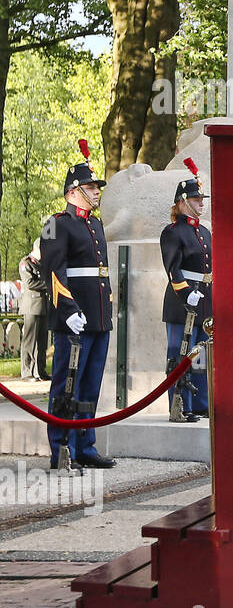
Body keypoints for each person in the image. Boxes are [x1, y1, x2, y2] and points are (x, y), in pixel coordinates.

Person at [42, 143, 115, 469]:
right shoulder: (56, 223)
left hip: (97, 318)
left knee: (89, 385)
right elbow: (53, 273)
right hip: (74, 319)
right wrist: (68, 311)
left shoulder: (95, 225)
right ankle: (61, 448)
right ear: (72, 192)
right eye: (89, 187)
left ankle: (85, 445)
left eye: (96, 187)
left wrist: (105, 314)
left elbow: (101, 275)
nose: (95, 192)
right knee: (65, 384)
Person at [160, 162, 212, 421]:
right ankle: (182, 404)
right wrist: (185, 292)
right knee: (181, 352)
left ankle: (201, 402)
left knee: (202, 353)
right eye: (196, 199)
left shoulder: (203, 231)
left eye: (201, 198)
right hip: (182, 302)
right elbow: (173, 269)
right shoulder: (172, 232)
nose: (201, 203)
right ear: (182, 202)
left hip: (205, 300)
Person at [19, 240, 50, 381]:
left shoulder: (42, 264)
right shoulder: (26, 263)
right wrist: (48, 284)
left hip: (43, 305)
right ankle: (27, 372)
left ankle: (40, 370)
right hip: (32, 306)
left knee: (42, 342)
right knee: (29, 341)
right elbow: (30, 283)